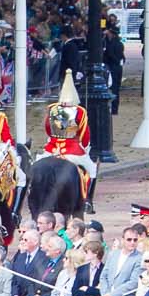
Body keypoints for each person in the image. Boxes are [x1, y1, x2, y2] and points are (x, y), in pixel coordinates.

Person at [43, 73, 96, 204]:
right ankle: (87, 200)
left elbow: (48, 129)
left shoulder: (52, 109)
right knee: (92, 169)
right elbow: (84, 133)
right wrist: (84, 145)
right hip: (72, 150)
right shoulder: (80, 111)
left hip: (52, 149)